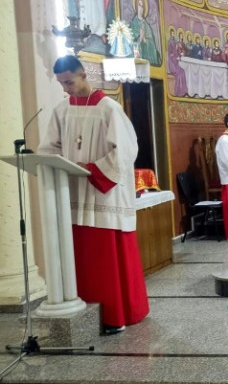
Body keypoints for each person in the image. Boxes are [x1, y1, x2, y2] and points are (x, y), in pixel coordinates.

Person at [38, 55, 149, 334]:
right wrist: (56, 163)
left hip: (103, 193)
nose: (66, 88)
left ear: (83, 75)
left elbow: (125, 151)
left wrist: (93, 171)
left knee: (105, 260)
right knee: (82, 260)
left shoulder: (109, 109)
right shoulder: (61, 110)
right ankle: (84, 315)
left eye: (69, 81)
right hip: (73, 195)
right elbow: (48, 148)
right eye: (62, 83)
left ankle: (114, 316)